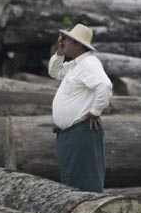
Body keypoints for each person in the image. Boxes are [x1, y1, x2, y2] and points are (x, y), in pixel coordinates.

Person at [48, 23, 112, 193]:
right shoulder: (76, 64)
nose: (63, 42)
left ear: (77, 45)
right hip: (71, 134)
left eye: (67, 40)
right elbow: (55, 72)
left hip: (81, 132)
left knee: (84, 182)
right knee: (72, 180)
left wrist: (95, 111)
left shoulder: (89, 63)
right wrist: (60, 52)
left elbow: (104, 85)